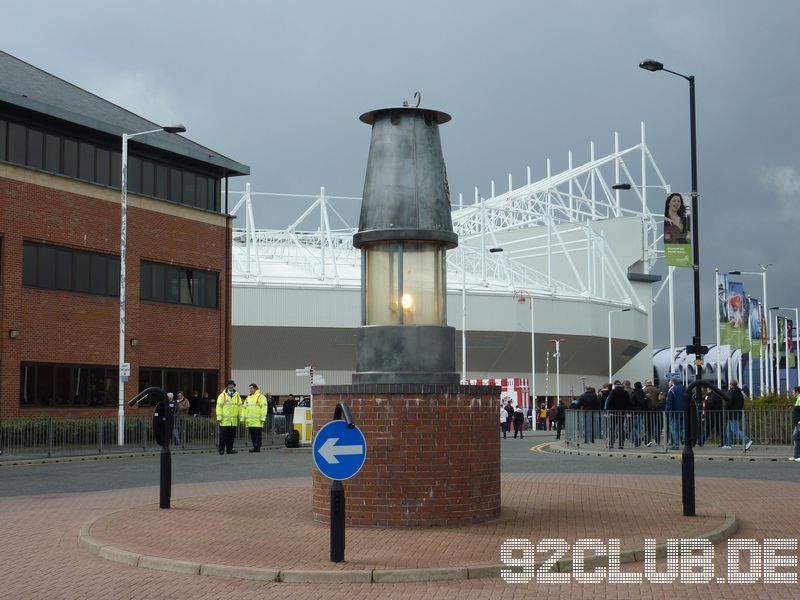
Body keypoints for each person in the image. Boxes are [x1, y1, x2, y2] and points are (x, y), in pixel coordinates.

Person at [723, 380, 753, 450]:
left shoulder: (730, 392)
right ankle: (728, 444)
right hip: (738, 413)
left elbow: (728, 402)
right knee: (729, 429)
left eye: (729, 385)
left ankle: (747, 441)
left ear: (731, 385)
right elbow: (742, 402)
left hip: (731, 413)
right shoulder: (740, 393)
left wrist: (725, 408)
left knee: (735, 429)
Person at [216, 380, 242, 454]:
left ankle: (229, 449)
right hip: (225, 420)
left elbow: (240, 407)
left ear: (234, 386)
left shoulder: (237, 396)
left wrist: (241, 417)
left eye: (232, 385)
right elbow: (219, 407)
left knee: (231, 436)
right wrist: (219, 417)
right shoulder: (222, 395)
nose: (231, 386)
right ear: (227, 386)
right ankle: (221, 449)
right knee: (223, 436)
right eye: (229, 385)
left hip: (233, 421)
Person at [242, 384, 268, 452]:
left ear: (255, 389)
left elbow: (264, 408)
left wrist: (262, 418)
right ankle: (255, 446)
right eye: (249, 388)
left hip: (257, 421)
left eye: (251, 388)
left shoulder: (261, 397)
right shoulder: (248, 397)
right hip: (250, 421)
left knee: (257, 435)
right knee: (252, 435)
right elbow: (244, 408)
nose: (249, 390)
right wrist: (243, 418)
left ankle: (257, 447)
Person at [606, 380, 631, 449]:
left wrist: (607, 411)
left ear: (615, 385)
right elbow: (628, 403)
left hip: (613, 413)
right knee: (621, 428)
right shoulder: (625, 392)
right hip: (622, 413)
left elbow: (609, 401)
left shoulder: (612, 392)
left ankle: (611, 444)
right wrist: (628, 412)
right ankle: (621, 444)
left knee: (612, 429)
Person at [665, 378, 686, 450]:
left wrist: (667, 412)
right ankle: (683, 438)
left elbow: (669, 402)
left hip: (674, 412)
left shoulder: (672, 389)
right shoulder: (684, 388)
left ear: (672, 382)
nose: (668, 384)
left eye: (669, 382)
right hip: (684, 411)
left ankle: (676, 445)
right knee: (682, 428)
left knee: (674, 429)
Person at [791, 386, 800, 462]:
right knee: (795, 437)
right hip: (797, 422)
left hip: (799, 422)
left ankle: (797, 456)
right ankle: (796, 455)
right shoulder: (798, 399)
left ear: (797, 392)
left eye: (793, 392)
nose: (792, 393)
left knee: (796, 437)